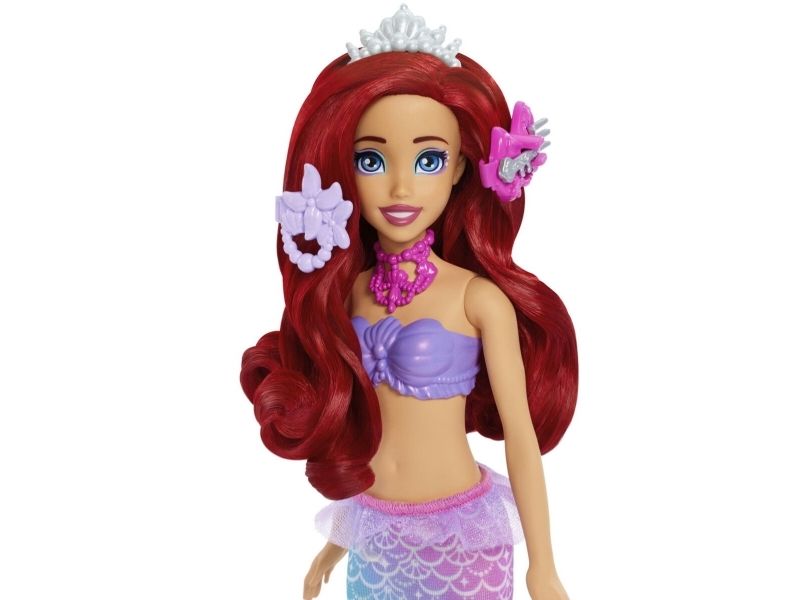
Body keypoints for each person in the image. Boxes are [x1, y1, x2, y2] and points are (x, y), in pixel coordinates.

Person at [240, 5, 577, 599]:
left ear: (459, 168)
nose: (401, 187)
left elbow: (521, 438)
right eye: (371, 160)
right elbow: (366, 428)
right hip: (375, 536)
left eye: (428, 160)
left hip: (460, 541)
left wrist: (543, 566)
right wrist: (337, 542)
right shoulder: (349, 292)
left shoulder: (477, 299)